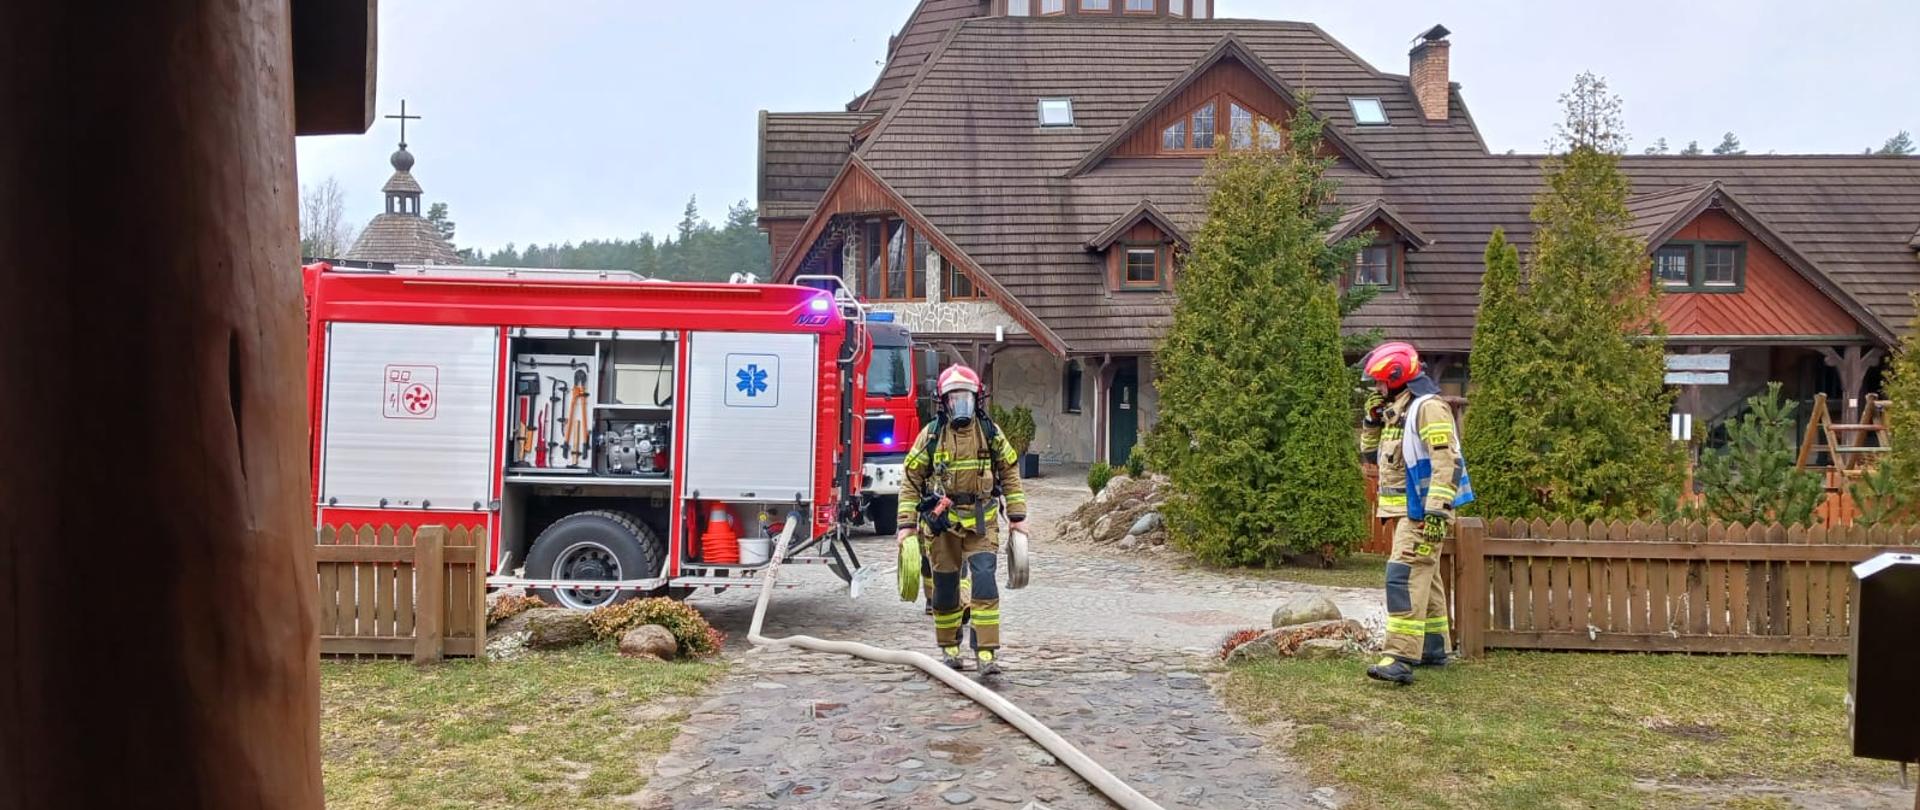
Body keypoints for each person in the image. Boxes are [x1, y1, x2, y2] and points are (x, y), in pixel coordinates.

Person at [897, 364, 1028, 675]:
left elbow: (1009, 470)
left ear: (977, 399)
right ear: (944, 402)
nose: (961, 405)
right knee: (944, 589)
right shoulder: (931, 436)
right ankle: (950, 648)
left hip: (981, 521)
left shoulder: (990, 433)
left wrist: (1017, 516)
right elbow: (911, 479)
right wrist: (906, 525)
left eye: (966, 398)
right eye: (954, 398)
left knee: (984, 582)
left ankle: (986, 653)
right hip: (942, 525)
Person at [1359, 341, 1472, 685]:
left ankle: (1399, 657)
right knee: (1426, 577)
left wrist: (1437, 512)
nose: (1378, 388)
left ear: (1396, 377)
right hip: (1409, 512)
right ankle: (1433, 648)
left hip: (1423, 513)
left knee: (1403, 577)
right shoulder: (1400, 412)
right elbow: (1371, 459)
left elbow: (1446, 461)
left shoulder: (1428, 408)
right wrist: (1372, 421)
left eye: (1381, 382)